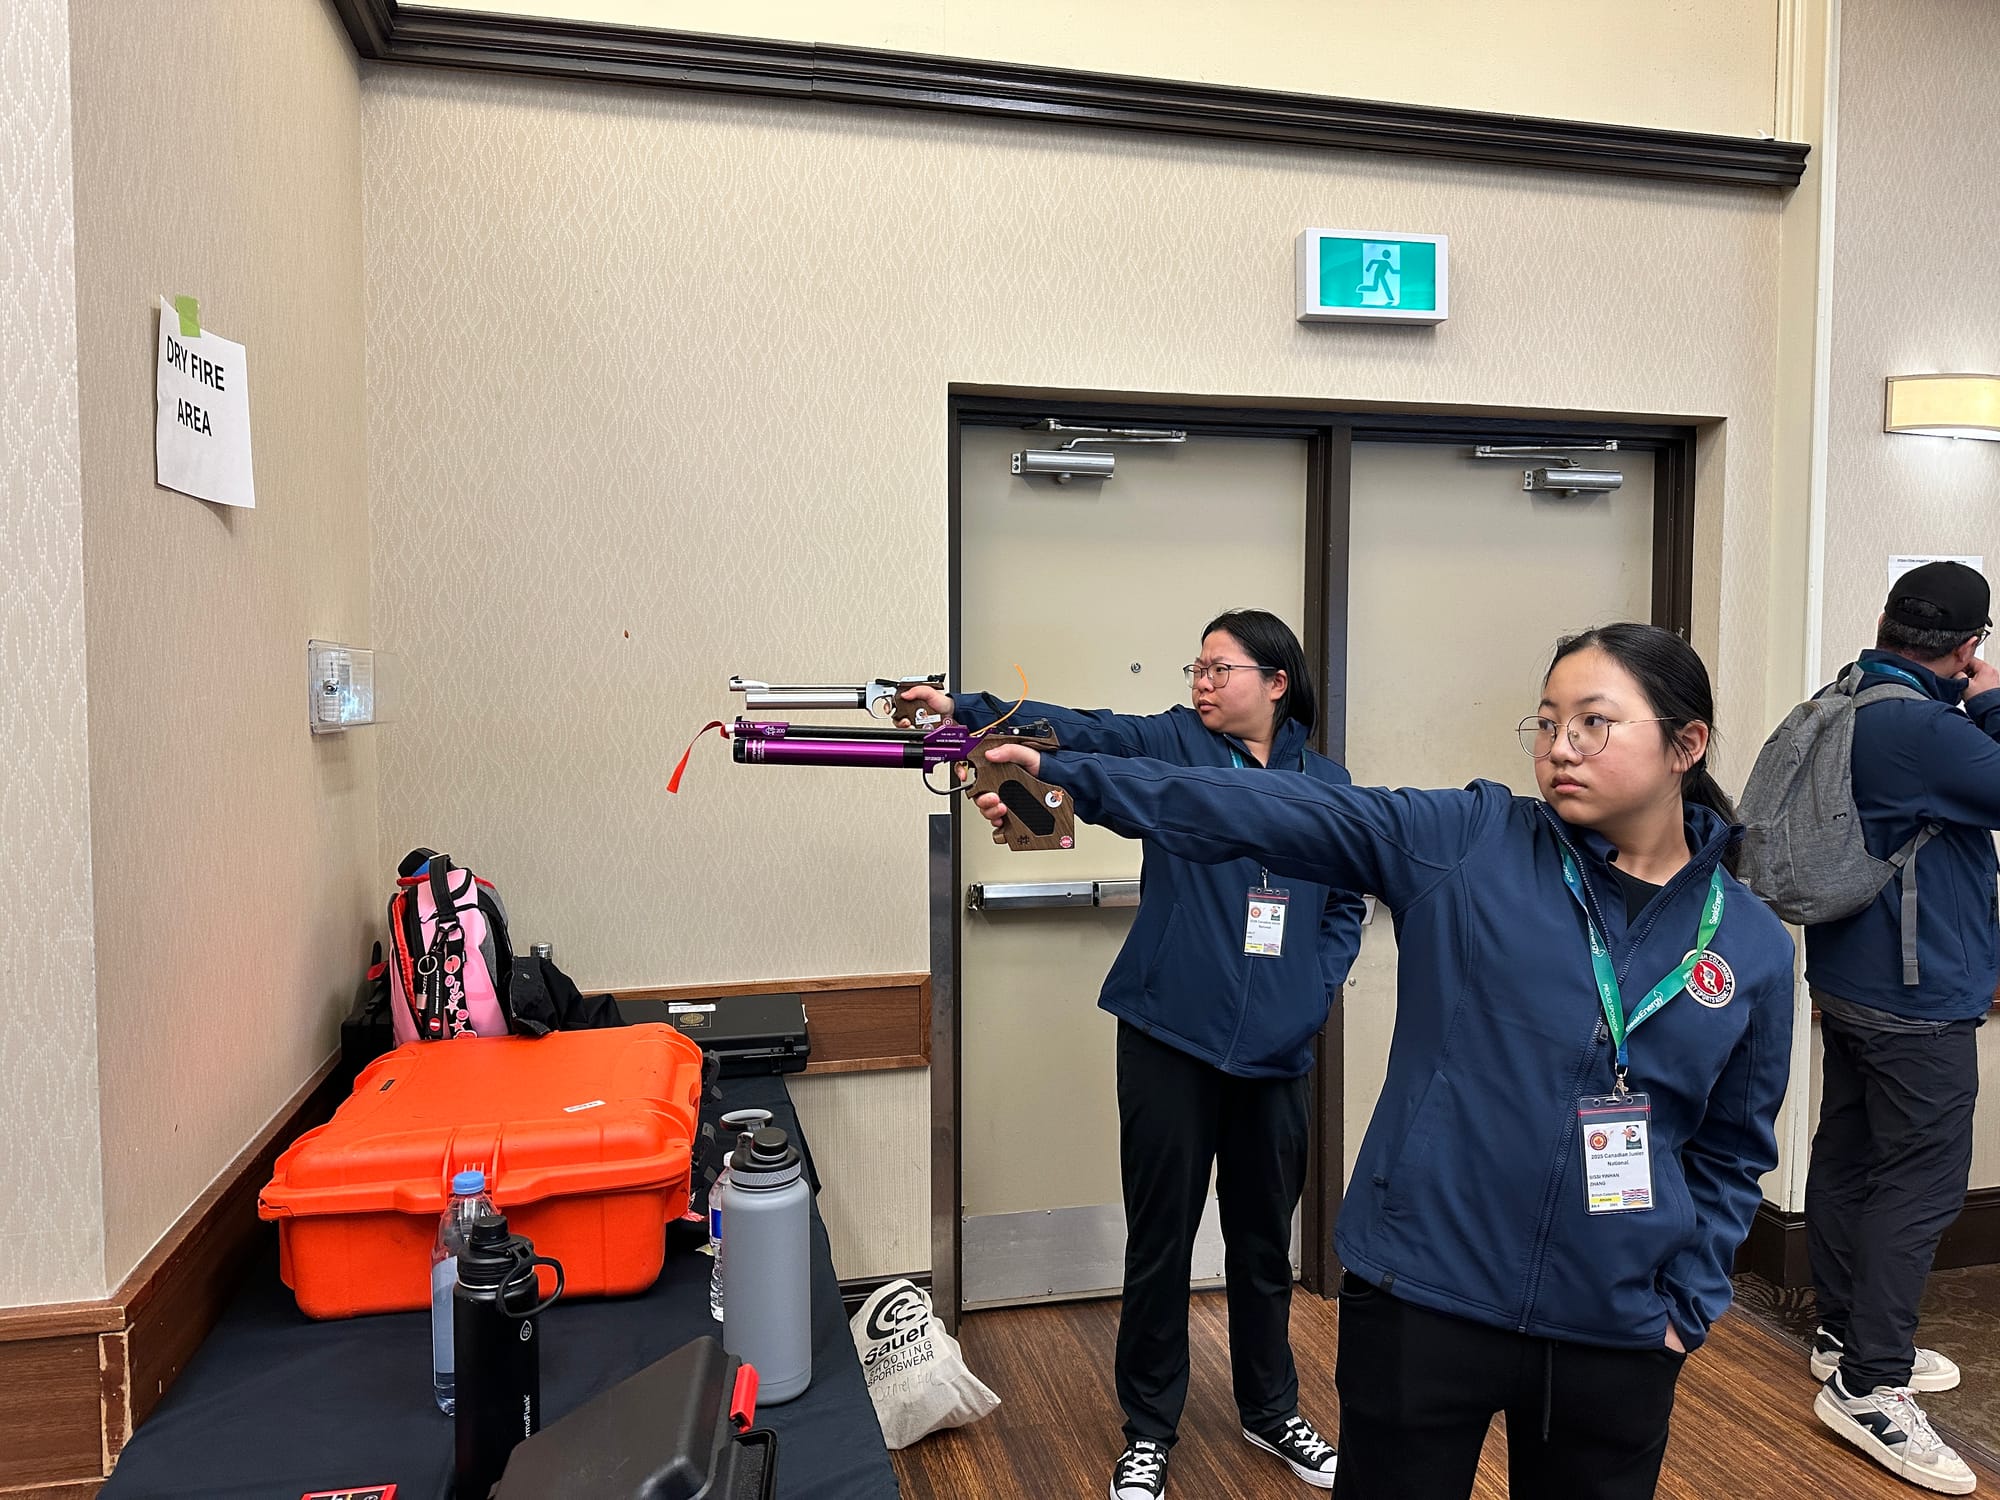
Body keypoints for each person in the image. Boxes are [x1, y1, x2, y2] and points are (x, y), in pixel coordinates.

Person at [970, 622, 1795, 1500]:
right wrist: (1069, 776)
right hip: (1424, 1299)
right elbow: (1266, 809)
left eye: (1592, 723)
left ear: (1686, 744)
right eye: (1547, 723)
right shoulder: (1471, 840)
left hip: (1614, 1329)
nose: (1559, 749)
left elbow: (1731, 1148)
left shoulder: (1747, 943)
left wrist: (1685, 1306)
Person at [903, 609, 1365, 1499]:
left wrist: (1314, 989)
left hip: (1278, 1052)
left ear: (1276, 681)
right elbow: (1082, 730)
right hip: (1169, 1035)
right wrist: (967, 709)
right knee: (1160, 1240)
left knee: (1267, 1243)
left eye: (1219, 669)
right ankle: (1149, 1431)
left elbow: (1345, 902)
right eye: (1195, 667)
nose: (1199, 682)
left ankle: (1272, 1412)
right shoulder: (1177, 745)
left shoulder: (1328, 781)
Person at [1801, 561, 1996, 1496]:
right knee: (1920, 1183)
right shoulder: (1923, 728)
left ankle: (1843, 1330)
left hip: (1848, 977)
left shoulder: (1849, 695)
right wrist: (1991, 704)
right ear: (1967, 646)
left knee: (1849, 1151)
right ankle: (1870, 1382)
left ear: (1885, 621)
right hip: (1918, 997)